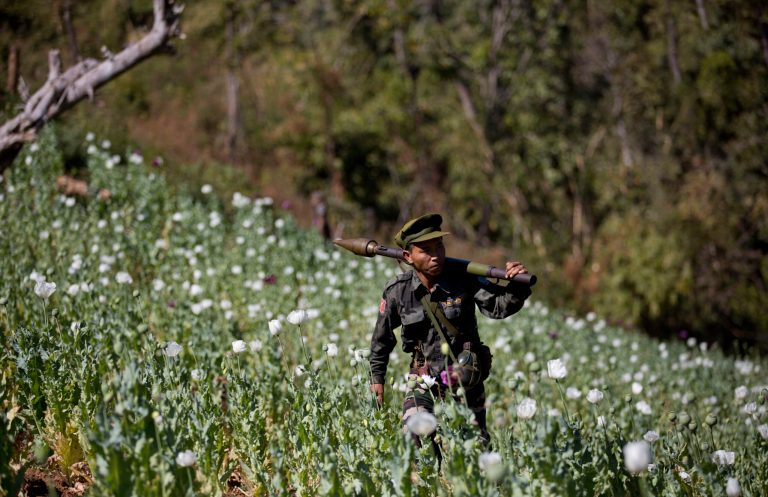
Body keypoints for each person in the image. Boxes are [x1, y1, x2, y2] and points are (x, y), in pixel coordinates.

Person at [369, 213, 532, 447]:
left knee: (476, 449)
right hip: (423, 380)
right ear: (408, 256)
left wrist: (516, 285)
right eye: (426, 250)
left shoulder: (465, 280)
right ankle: (428, 481)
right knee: (414, 436)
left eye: (439, 246)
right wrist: (377, 378)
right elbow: (381, 340)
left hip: (466, 379)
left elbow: (498, 307)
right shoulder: (398, 291)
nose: (436, 255)